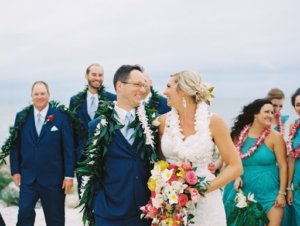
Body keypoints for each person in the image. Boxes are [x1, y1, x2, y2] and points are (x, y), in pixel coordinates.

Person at [158, 70, 243, 225]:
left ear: (183, 90)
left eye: (169, 86)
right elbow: (158, 162)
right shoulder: (163, 122)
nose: (164, 91)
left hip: (207, 203)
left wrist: (201, 190)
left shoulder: (214, 122)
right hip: (172, 201)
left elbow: (236, 167)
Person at [79, 65, 157, 226]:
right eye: (137, 84)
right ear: (120, 86)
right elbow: (89, 168)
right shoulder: (96, 126)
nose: (142, 90)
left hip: (145, 213)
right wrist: (97, 203)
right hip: (109, 213)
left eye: (144, 85)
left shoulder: (151, 124)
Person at [10, 81, 75, 226]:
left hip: (54, 179)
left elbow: (68, 148)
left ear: (48, 95)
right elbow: (15, 145)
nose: (39, 97)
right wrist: (15, 170)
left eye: (42, 93)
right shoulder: (21, 116)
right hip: (28, 178)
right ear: (31, 96)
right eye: (36, 94)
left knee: (55, 220)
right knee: (24, 216)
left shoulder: (61, 116)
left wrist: (69, 175)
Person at [223, 98, 287, 226]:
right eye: (267, 112)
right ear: (255, 114)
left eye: (272, 112)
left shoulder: (276, 137)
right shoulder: (239, 135)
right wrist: (236, 176)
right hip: (242, 192)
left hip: (270, 194)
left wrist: (282, 193)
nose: (270, 115)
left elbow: (283, 166)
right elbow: (230, 162)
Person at [69, 64, 116, 197]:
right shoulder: (75, 101)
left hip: (105, 159)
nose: (97, 78)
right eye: (94, 74)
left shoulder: (112, 99)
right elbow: (72, 132)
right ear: (86, 76)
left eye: (100, 75)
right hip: (82, 159)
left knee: (105, 197)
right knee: (85, 198)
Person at [286, 88, 300, 226]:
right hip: (297, 182)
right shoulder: (293, 126)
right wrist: (289, 188)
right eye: (298, 105)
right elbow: (291, 157)